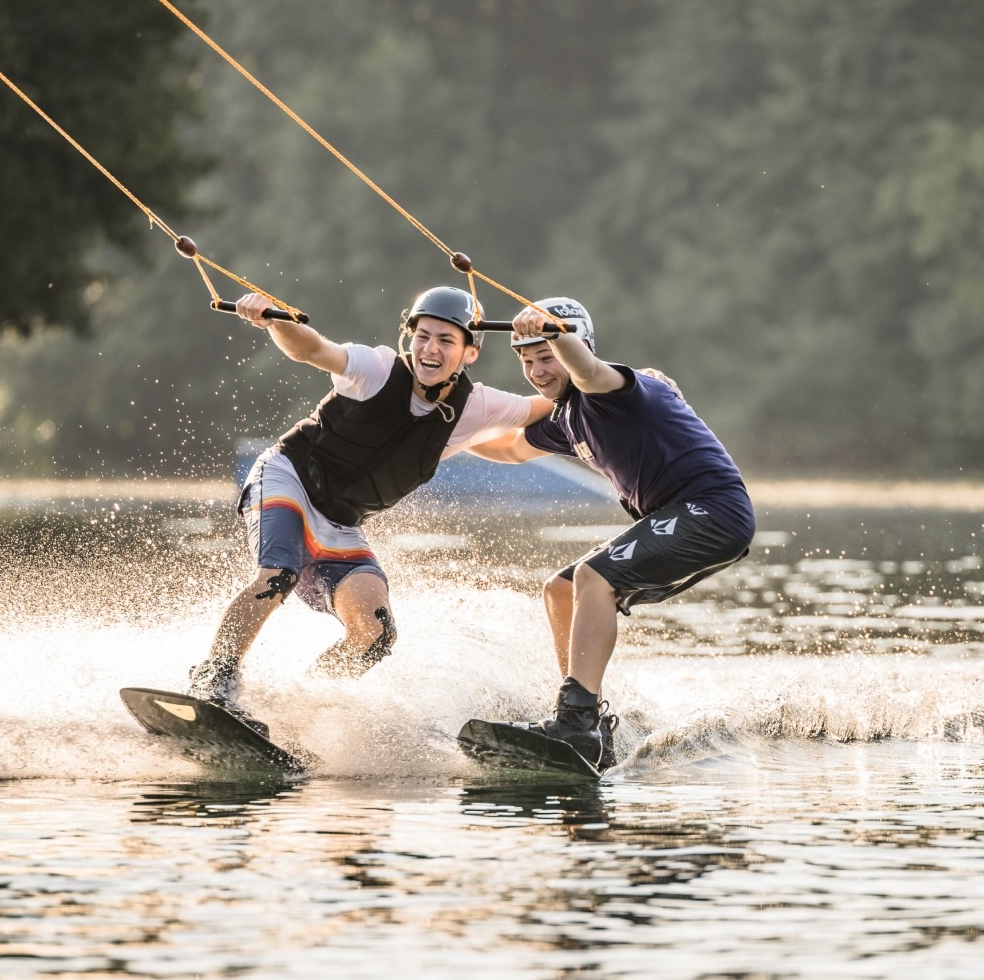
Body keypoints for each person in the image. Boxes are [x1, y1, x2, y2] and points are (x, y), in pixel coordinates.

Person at [191, 287, 552, 732]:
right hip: (287, 477)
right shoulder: (376, 367)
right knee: (277, 574)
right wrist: (275, 319)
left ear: (470, 352)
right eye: (423, 336)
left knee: (376, 634)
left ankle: (299, 711)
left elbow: (554, 401)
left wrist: (624, 385)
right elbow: (311, 349)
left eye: (445, 340)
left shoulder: (476, 408)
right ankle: (214, 681)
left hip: (339, 524)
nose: (430, 349)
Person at [467, 297, 755, 769]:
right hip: (684, 516)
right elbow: (511, 450)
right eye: (528, 361)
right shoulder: (567, 417)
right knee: (561, 589)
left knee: (592, 578)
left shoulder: (615, 389)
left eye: (548, 357)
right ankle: (587, 723)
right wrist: (442, 428)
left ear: (575, 347)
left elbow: (589, 372)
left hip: (713, 510)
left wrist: (558, 336)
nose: (539, 371)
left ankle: (575, 723)